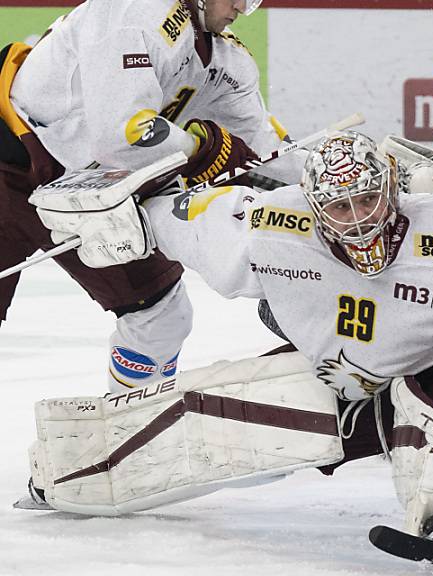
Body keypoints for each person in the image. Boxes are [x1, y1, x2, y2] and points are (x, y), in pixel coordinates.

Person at [22, 131, 433, 547]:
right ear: (311, 204)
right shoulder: (271, 228)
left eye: (366, 202)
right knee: (215, 415)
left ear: (392, 193)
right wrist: (126, 214)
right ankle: (70, 472)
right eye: (338, 206)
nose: (355, 222)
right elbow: (187, 218)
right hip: (353, 382)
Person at [0, 0, 302, 393]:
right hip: (10, 170)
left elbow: (264, 143)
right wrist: (197, 150)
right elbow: (121, 133)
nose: (245, 10)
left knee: (161, 317)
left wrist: (326, 171)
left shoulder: (225, 60)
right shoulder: (131, 9)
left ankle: (129, 437)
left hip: (90, 196)